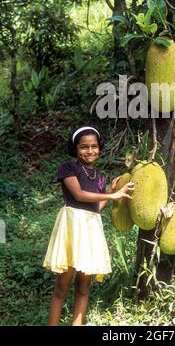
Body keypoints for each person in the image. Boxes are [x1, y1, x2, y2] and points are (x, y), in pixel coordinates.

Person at [43, 125, 133, 326]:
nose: (90, 151)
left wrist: (109, 190)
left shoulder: (99, 177)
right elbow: (79, 195)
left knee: (83, 287)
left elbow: (96, 208)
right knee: (62, 287)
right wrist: (113, 194)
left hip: (91, 230)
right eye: (84, 147)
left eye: (94, 146)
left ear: (99, 148)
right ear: (75, 149)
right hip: (72, 228)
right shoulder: (68, 168)